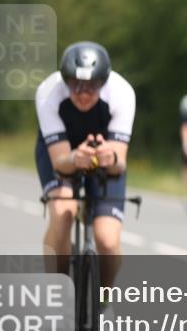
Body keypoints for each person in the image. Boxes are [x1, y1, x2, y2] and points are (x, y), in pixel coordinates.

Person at [35, 41, 135, 301]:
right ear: (64, 80)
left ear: (104, 82)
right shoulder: (48, 92)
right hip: (61, 153)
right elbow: (59, 162)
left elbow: (119, 162)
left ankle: (103, 300)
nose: (82, 93)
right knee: (63, 212)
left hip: (104, 157)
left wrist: (110, 156)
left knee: (108, 240)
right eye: (75, 84)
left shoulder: (122, 93)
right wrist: (75, 158)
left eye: (92, 86)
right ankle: (57, 295)